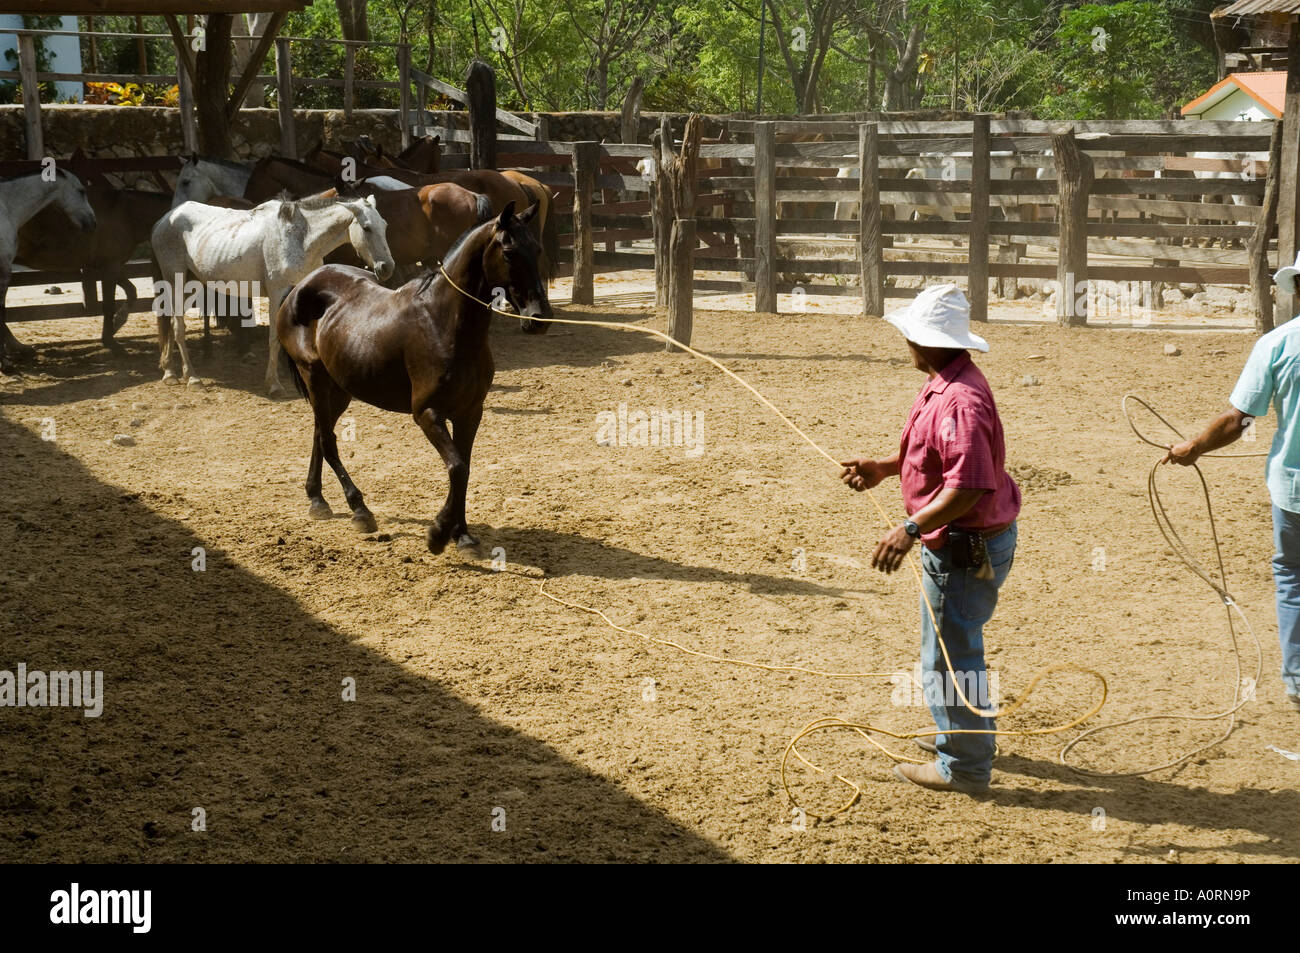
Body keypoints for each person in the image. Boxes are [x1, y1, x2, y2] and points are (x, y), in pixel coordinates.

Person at [840, 284, 1022, 793]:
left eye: (913, 336)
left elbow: (970, 484)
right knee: (953, 646)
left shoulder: (959, 400)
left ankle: (963, 765)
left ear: (931, 341)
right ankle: (962, 736)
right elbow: (938, 459)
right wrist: (884, 467)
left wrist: (911, 527)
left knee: (951, 653)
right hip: (968, 541)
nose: (907, 345)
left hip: (965, 545)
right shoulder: (948, 381)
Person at [1165, 254, 1300, 714]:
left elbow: (1239, 420)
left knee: (1293, 578)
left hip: (1293, 491)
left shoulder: (1278, 344)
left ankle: (1298, 681)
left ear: (1296, 288)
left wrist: (1195, 448)